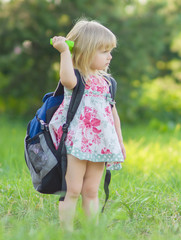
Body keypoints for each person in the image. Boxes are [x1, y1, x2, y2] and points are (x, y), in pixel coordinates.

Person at [49, 19, 126, 231]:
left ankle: (93, 230)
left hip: (101, 143)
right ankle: (66, 231)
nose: (109, 56)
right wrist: (64, 51)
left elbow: (112, 113)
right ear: (85, 52)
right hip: (78, 142)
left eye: (110, 51)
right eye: (104, 51)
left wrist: (119, 141)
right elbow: (65, 78)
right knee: (72, 189)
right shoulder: (77, 78)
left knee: (91, 190)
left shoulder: (108, 82)